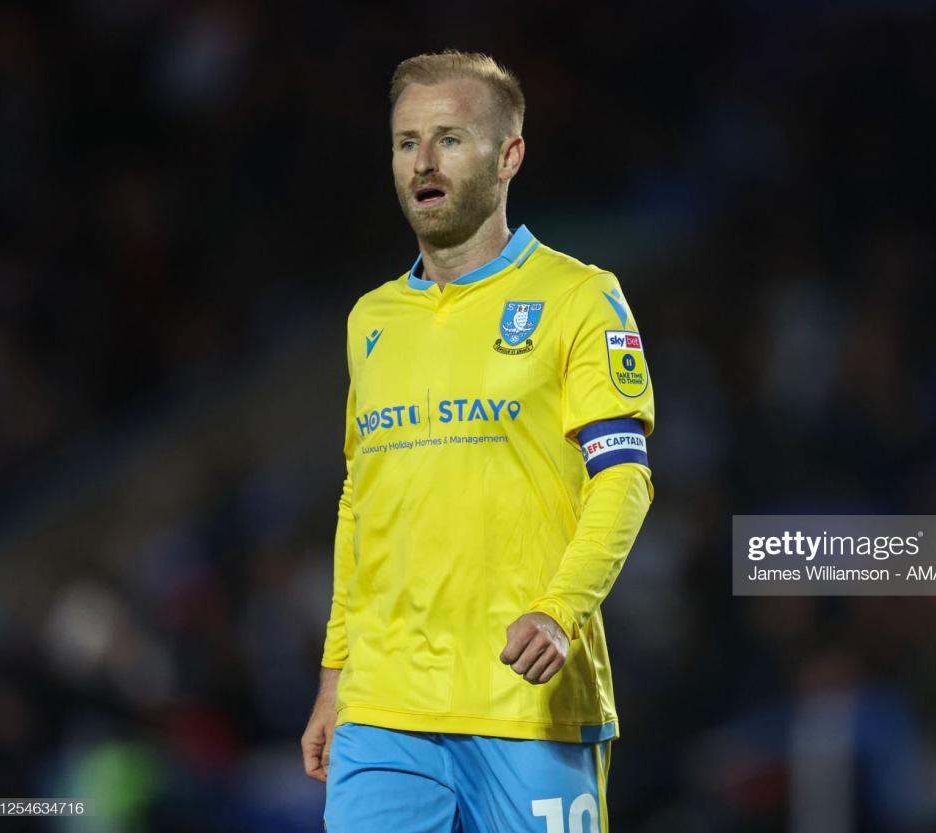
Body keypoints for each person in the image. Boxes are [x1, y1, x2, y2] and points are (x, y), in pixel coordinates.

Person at [300, 50, 655, 833]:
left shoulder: (579, 298)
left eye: (450, 139)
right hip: (384, 709)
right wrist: (335, 681)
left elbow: (624, 479)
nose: (422, 162)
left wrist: (561, 613)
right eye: (405, 142)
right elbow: (362, 506)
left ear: (509, 154)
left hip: (524, 702)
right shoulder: (371, 321)